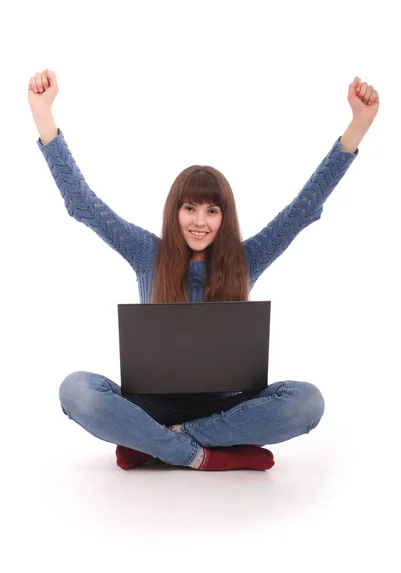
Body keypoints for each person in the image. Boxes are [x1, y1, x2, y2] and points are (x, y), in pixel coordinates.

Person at [28, 69, 379, 472]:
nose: (200, 221)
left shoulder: (248, 257)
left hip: (228, 407)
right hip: (151, 404)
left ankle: (157, 445)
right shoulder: (147, 252)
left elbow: (302, 209)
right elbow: (83, 205)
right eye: (190, 207)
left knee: (308, 402)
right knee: (76, 390)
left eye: (212, 210)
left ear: (224, 217)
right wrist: (44, 115)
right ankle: (200, 454)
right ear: (174, 211)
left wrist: (358, 126)